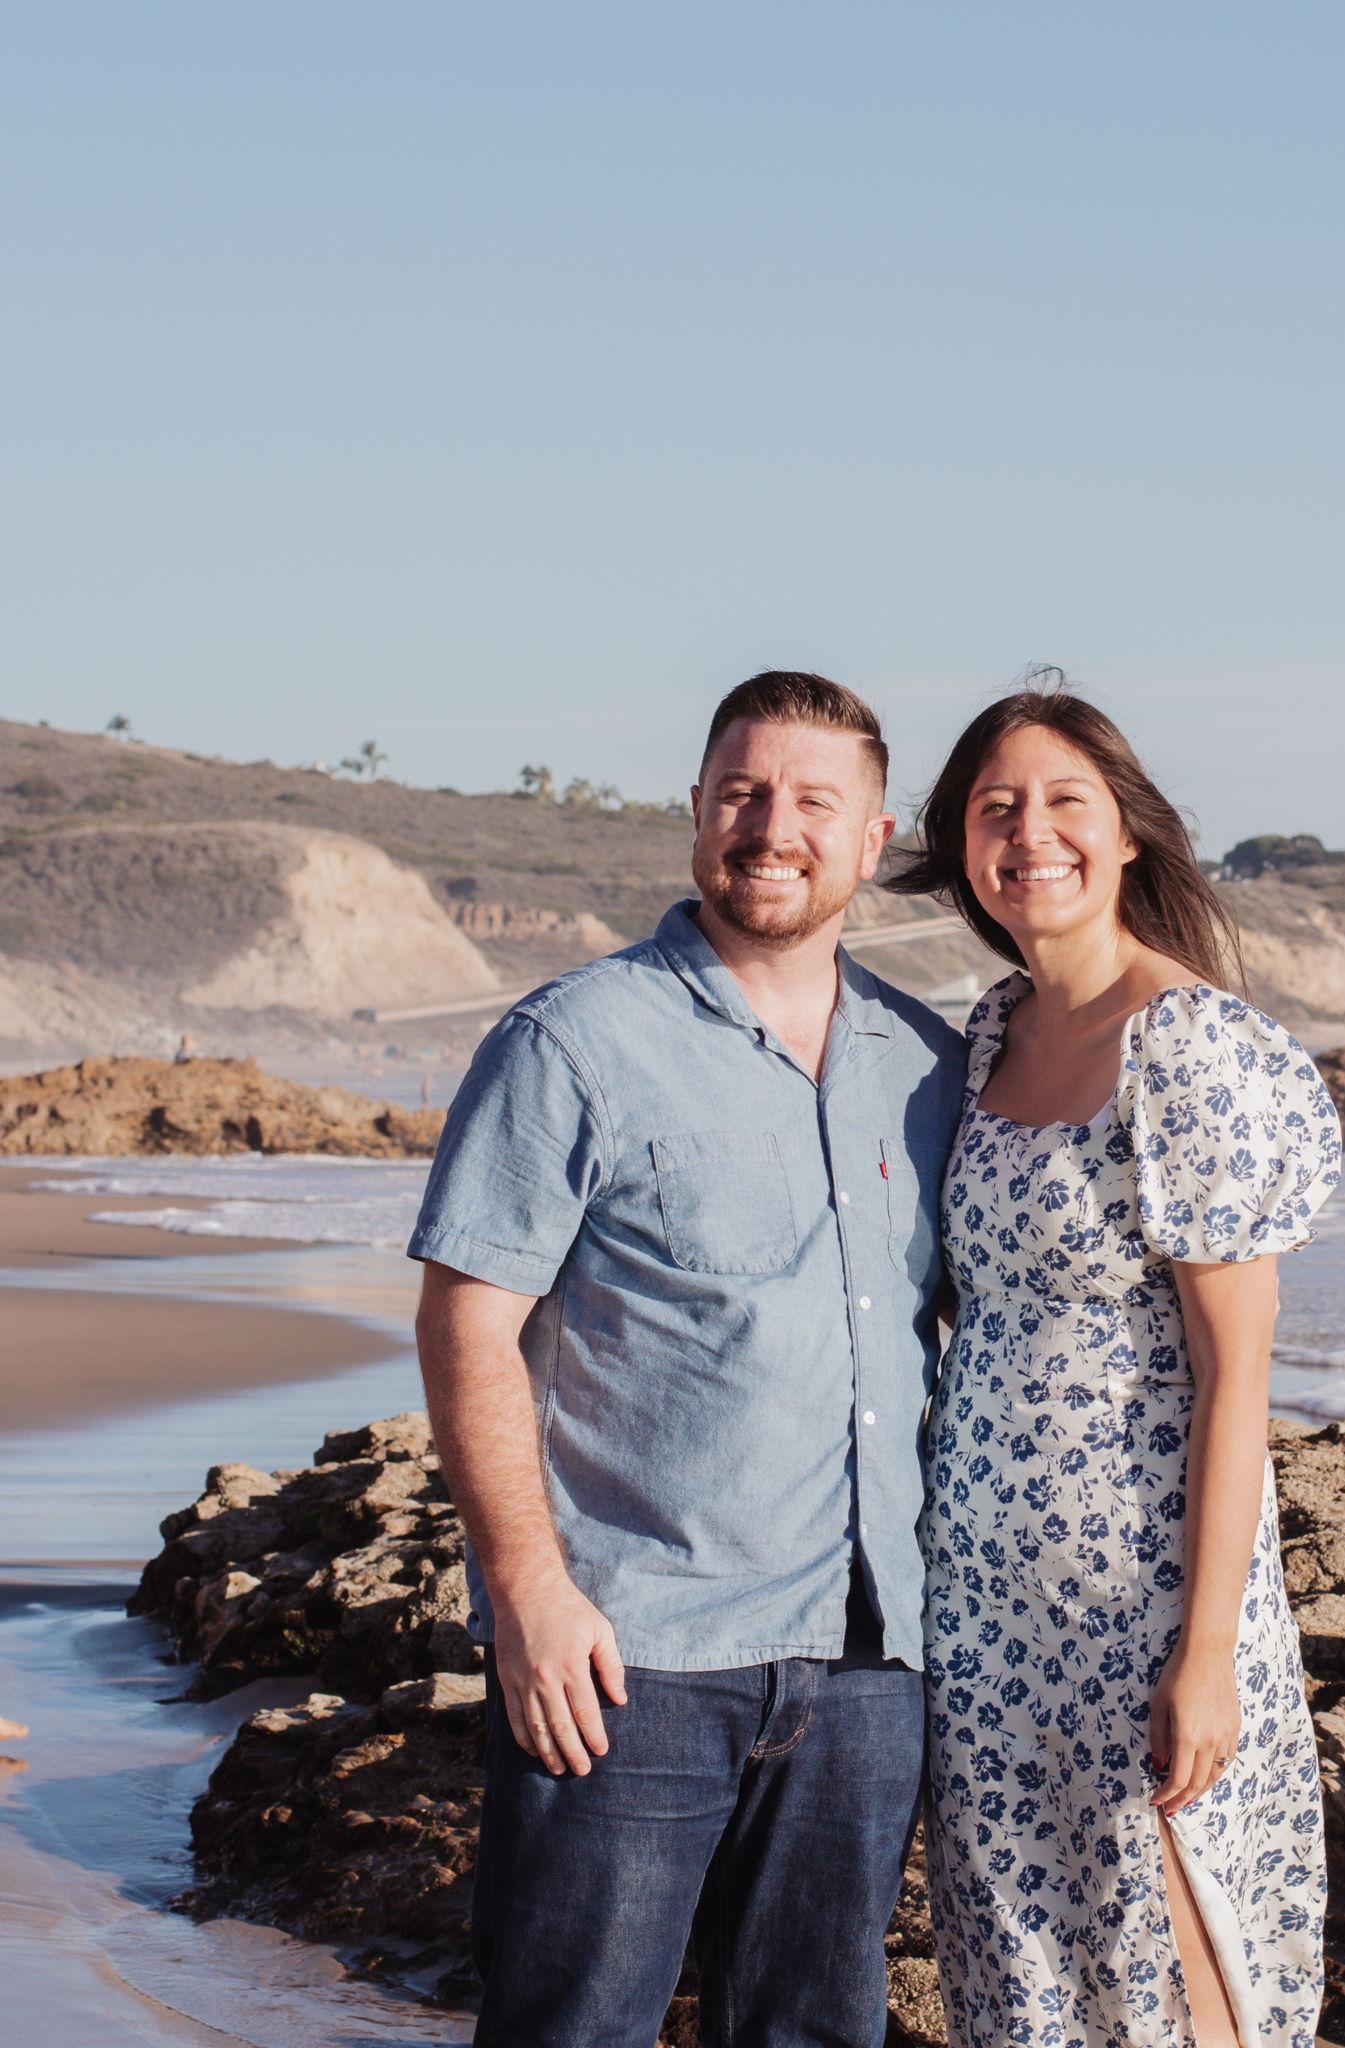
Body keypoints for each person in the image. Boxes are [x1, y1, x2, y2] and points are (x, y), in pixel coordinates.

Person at [410, 672, 964, 2048]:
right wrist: (527, 1594)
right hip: (628, 1662)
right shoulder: (574, 1041)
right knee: (571, 2029)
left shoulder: (931, 1066)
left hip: (870, 1667)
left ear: (874, 837)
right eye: (742, 793)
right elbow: (467, 1323)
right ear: (697, 811)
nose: (772, 828)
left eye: (813, 802)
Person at [887, 678, 1343, 2048]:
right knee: (1025, 1965)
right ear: (963, 847)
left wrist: (1206, 1654)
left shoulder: (1188, 1048)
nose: (1030, 834)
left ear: (1128, 831)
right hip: (982, 1607)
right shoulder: (988, 1035)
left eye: (1064, 801)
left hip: (1141, 1600)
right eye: (996, 808)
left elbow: (1236, 1377)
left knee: (1173, 1951)